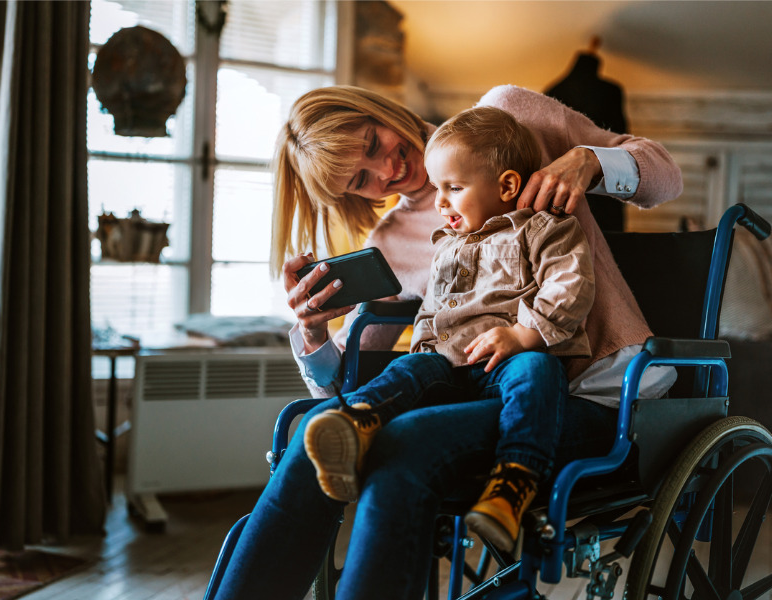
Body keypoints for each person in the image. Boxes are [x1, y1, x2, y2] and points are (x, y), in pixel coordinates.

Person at [212, 84, 682, 600]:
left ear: (380, 110)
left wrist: (588, 162)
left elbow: (665, 176)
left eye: (373, 143)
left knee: (406, 447)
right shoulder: (390, 243)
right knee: (317, 431)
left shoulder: (506, 117)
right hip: (481, 395)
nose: (386, 172)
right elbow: (345, 382)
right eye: (362, 181)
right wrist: (313, 328)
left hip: (593, 391)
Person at [302, 105, 595, 554]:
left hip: (508, 361)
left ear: (507, 186)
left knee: (538, 371)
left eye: (453, 188)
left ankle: (510, 487)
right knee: (410, 368)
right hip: (447, 366)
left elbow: (570, 285)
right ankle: (356, 420)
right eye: (438, 188)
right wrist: (314, 330)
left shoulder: (542, 227)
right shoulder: (443, 246)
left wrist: (522, 336)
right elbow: (429, 315)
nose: (439, 203)